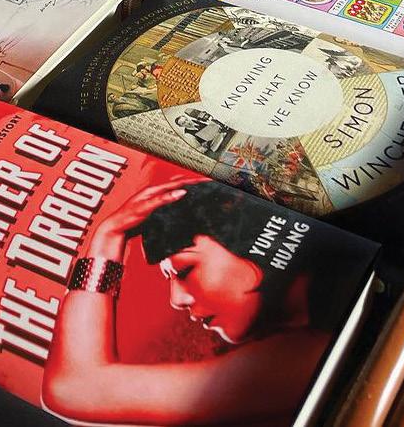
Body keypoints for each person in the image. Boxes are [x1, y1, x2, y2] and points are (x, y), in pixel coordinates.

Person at [42, 179, 335, 424]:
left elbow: (76, 387)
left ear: (250, 245)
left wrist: (107, 239)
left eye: (184, 271)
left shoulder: (295, 358)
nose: (177, 299)